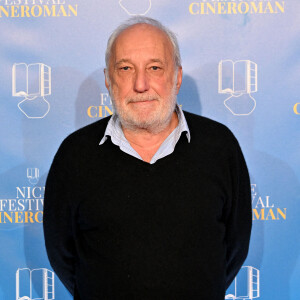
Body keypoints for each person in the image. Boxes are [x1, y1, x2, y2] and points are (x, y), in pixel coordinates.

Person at [43, 16, 252, 299]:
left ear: (176, 77)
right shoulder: (74, 155)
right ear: (108, 79)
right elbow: (62, 255)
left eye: (154, 67)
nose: (140, 84)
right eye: (126, 68)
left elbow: (235, 246)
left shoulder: (220, 147)